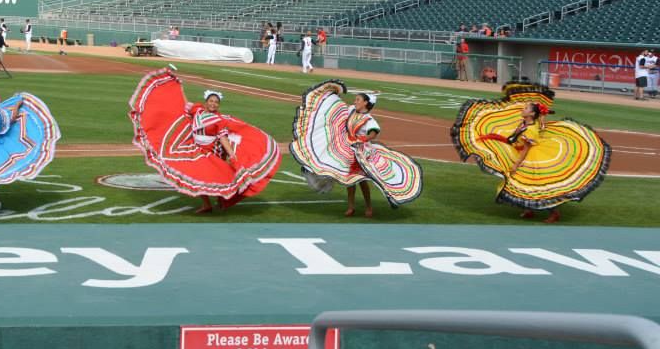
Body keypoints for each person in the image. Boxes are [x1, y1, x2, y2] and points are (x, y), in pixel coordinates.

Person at [452, 83, 610, 223]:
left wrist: (516, 165)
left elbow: (526, 149)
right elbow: (517, 137)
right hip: (522, 151)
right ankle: (529, 210)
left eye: (526, 108)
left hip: (532, 157)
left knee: (537, 186)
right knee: (525, 185)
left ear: (532, 114)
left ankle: (554, 213)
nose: (523, 109)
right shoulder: (526, 123)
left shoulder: (531, 129)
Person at [128, 69, 282, 214]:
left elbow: (223, 138)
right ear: (206, 101)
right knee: (198, 176)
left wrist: (232, 154)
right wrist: (177, 84)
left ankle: (221, 201)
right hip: (195, 149)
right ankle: (207, 204)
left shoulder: (219, 120)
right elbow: (183, 104)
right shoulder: (198, 110)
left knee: (214, 177)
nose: (213, 104)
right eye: (211, 101)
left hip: (210, 152)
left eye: (216, 102)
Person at [292, 85, 423, 217]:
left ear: (365, 103)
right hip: (348, 148)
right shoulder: (351, 111)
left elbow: (373, 133)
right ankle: (351, 207)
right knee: (350, 180)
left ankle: (370, 206)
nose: (355, 102)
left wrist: (363, 139)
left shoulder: (369, 119)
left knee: (362, 181)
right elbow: (340, 110)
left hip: (361, 152)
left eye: (358, 100)